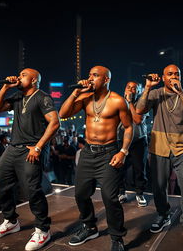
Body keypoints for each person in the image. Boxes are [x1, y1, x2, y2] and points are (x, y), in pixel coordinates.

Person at [59, 65, 133, 251]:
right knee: (80, 194)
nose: (90, 78)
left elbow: (129, 127)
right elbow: (63, 113)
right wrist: (76, 92)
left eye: (95, 75)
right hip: (88, 153)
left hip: (109, 153)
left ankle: (117, 238)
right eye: (89, 74)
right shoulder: (84, 98)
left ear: (106, 79)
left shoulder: (117, 101)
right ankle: (90, 227)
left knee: (110, 197)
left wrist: (123, 151)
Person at [0, 68, 60, 251]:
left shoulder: (42, 97)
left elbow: (55, 122)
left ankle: (43, 230)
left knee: (32, 190)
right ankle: (11, 221)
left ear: (34, 79)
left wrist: (38, 147)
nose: (18, 78)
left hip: (31, 149)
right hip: (12, 148)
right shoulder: (17, 97)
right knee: (0, 183)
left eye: (23, 75)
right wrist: (5, 88)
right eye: (19, 75)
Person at [136, 64, 183, 243]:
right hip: (160, 144)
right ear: (163, 77)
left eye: (177, 74)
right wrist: (148, 87)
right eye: (170, 74)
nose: (174, 77)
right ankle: (163, 214)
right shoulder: (156, 93)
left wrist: (180, 92)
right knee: (158, 185)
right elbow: (139, 110)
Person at [117, 81, 148, 207]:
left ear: (139, 91)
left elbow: (138, 120)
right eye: (128, 87)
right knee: (119, 168)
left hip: (138, 140)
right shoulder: (118, 102)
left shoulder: (142, 102)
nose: (130, 90)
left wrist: (129, 102)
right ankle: (121, 192)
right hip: (121, 140)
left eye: (134, 88)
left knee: (139, 169)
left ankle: (139, 193)